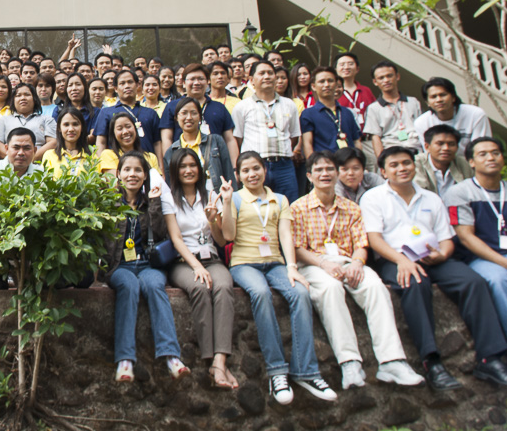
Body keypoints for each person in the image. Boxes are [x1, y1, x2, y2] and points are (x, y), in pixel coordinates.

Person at [360, 146, 507, 390]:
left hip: (433, 257)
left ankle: (490, 358)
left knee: (473, 282)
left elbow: (446, 238)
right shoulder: (373, 198)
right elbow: (374, 240)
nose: (402, 168)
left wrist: (443, 255)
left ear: (414, 166)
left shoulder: (431, 198)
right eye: (394, 165)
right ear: (383, 171)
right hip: (395, 260)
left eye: (406, 163)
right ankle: (432, 361)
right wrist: (402, 261)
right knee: (415, 283)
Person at [290, 152, 424, 390]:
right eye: (319, 170)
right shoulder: (298, 208)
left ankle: (392, 361)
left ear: (337, 174)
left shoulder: (352, 208)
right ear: (309, 176)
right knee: (330, 289)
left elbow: (361, 244)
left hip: (348, 261)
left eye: (330, 169)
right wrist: (324, 264)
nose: (325, 174)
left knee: (375, 287)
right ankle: (349, 362)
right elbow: (298, 248)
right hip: (314, 264)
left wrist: (357, 263)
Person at [221, 151, 337, 404]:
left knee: (300, 293)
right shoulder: (236, 198)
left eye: (256, 168)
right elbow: (228, 236)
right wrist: (227, 204)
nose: (252, 174)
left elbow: (286, 235)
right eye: (245, 171)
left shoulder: (281, 200)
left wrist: (292, 267)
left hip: (275, 263)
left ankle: (306, 371)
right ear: (238, 176)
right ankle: (277, 372)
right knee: (261, 294)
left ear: (265, 170)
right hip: (244, 264)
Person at [443, 137, 507, 387]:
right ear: (472, 162)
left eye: (496, 153)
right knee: (499, 280)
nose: (491, 158)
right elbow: (465, 237)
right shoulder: (460, 192)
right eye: (484, 154)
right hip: (479, 257)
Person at [102, 152, 190, 383]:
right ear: (119, 174)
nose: (132, 174)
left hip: (148, 265)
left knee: (154, 286)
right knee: (129, 286)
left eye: (138, 170)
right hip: (120, 267)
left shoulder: (152, 199)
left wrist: (153, 203)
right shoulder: (109, 202)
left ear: (145, 175)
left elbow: (160, 233)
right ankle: (125, 360)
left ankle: (171, 356)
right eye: (127, 170)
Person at [165, 148, 237, 390]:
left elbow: (223, 238)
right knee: (199, 287)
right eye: (183, 166)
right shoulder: (169, 199)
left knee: (225, 287)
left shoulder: (211, 195)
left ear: (200, 168)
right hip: (183, 262)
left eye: (192, 165)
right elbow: (176, 238)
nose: (188, 170)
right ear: (175, 170)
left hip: (212, 259)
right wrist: (196, 266)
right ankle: (209, 357)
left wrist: (215, 218)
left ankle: (220, 360)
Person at [232, 61, 302, 203]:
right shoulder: (242, 107)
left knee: (289, 206)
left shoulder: (289, 104)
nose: (267, 77)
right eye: (262, 73)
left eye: (270, 73)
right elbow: (237, 138)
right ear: (251, 80)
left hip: (284, 166)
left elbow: (294, 136)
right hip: (255, 166)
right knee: (257, 208)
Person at [159, 63, 238, 168]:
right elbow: (166, 139)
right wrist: (170, 165)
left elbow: (230, 139)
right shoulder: (172, 107)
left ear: (208, 82)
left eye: (200, 79)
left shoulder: (219, 107)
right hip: (182, 166)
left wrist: (235, 168)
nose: (196, 83)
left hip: (215, 165)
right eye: (192, 79)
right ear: (183, 83)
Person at [163, 97, 233, 194]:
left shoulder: (216, 141)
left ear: (200, 117)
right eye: (184, 113)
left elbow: (229, 175)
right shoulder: (171, 152)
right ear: (176, 117)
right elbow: (171, 188)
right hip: (186, 205)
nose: (189, 117)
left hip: (217, 200)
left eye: (194, 113)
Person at [413, 77, 491, 153]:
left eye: (443, 95)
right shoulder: (422, 122)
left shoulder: (475, 114)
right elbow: (430, 153)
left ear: (453, 97)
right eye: (434, 97)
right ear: (427, 102)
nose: (439, 100)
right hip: (442, 163)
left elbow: (482, 147)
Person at [93, 70, 162, 155]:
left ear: (137, 85)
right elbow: (101, 142)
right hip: (116, 165)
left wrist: (160, 167)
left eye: (130, 82)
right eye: (122, 83)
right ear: (116, 88)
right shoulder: (106, 112)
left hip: (148, 163)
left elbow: (157, 143)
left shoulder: (151, 113)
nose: (127, 86)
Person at [300, 66, 362, 158]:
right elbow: (307, 144)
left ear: (336, 84)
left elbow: (356, 141)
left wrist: (360, 162)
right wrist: (312, 166)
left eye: (330, 81)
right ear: (313, 86)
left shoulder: (347, 112)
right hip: (325, 166)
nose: (326, 85)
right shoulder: (308, 114)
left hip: (349, 165)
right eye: (322, 81)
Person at [364, 60, 423, 155]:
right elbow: (376, 137)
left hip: (416, 151)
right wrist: (382, 162)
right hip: (392, 153)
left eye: (389, 76)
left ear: (397, 76)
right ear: (375, 82)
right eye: (381, 78)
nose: (386, 80)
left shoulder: (413, 102)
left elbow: (422, 129)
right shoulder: (373, 108)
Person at [0, 83, 56, 160]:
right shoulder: (3, 121)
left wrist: (30, 159)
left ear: (34, 99)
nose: (23, 98)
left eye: (27, 95)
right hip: (9, 168)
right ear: (13, 100)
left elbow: (53, 142)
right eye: (18, 95)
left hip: (39, 166)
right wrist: (14, 161)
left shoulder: (47, 120)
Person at [413, 125, 473, 197]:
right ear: (427, 147)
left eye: (451, 144)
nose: (446, 148)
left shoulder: (465, 164)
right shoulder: (414, 163)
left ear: (457, 147)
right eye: (440, 144)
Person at [42, 107, 92, 176]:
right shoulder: (49, 155)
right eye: (66, 125)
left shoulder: (91, 156)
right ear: (59, 128)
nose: (71, 129)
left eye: (75, 124)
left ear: (82, 127)